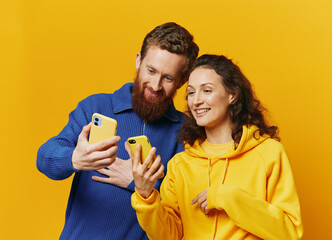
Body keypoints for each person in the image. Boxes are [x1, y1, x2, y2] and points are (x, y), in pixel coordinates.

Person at [36, 22, 199, 239]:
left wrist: (138, 183)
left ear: (182, 81)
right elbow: (44, 157)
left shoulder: (185, 131)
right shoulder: (95, 107)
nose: (155, 85)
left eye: (168, 78)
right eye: (151, 71)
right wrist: (74, 159)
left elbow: (183, 206)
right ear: (138, 61)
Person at [130, 54, 304, 239]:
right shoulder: (180, 165)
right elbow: (169, 236)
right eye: (191, 92)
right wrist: (146, 195)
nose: (196, 101)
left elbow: (289, 233)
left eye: (206, 90)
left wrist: (228, 198)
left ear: (232, 95)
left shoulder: (268, 153)